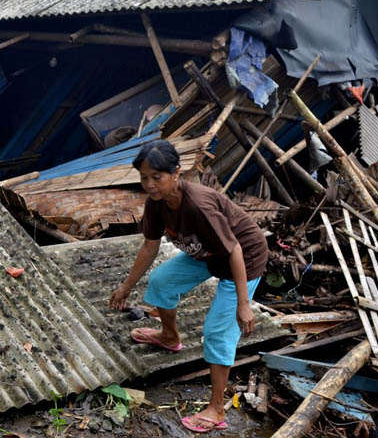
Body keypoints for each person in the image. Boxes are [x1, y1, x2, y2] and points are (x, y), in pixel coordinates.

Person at [109, 140, 267, 433]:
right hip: (206, 254)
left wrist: (244, 304)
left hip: (243, 257)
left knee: (217, 331)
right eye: (144, 178)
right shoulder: (156, 204)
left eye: (157, 177)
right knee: (161, 282)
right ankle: (169, 337)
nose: (150, 184)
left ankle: (217, 408)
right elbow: (149, 245)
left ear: (176, 173)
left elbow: (234, 251)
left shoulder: (198, 206)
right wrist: (126, 287)